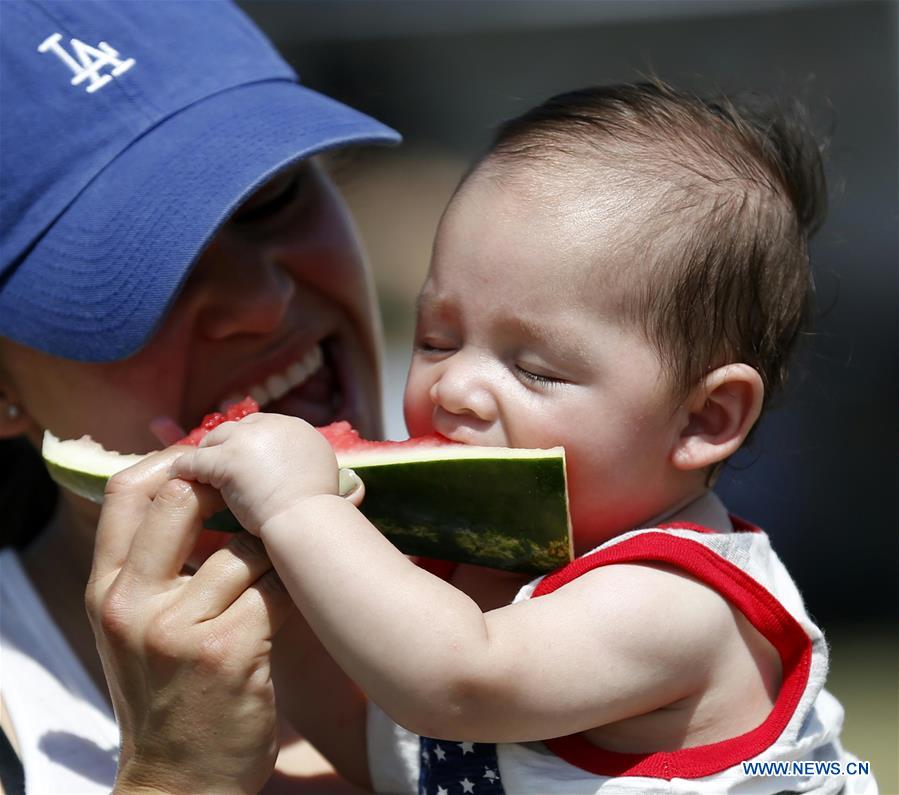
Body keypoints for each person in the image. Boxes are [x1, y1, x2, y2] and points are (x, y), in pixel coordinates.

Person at [166, 83, 878, 794]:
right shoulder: (456, 581)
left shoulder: (673, 601)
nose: (454, 389)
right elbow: (382, 749)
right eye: (437, 340)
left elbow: (456, 681)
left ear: (705, 418)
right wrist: (261, 567)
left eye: (533, 367)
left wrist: (296, 509)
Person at [0, 0, 399, 793]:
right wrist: (178, 777)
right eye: (141, 279)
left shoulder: (642, 535)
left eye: (272, 196)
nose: (260, 301)